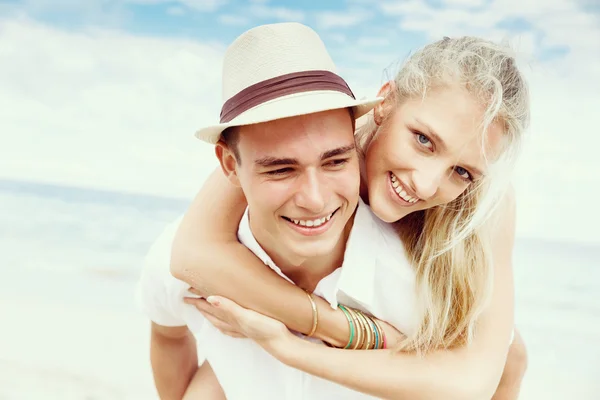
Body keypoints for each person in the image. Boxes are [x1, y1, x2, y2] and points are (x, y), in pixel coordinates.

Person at [171, 28, 531, 400]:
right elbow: (192, 256)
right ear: (385, 103)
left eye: (462, 172)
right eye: (423, 140)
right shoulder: (316, 127)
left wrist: (298, 346)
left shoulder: (487, 202)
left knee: (512, 352)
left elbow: (473, 382)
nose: (425, 186)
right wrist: (345, 327)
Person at [138, 21, 396, 400]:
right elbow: (167, 333)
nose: (315, 198)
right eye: (281, 169)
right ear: (229, 166)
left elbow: (496, 367)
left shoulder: (415, 267)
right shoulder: (176, 262)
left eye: (335, 161)